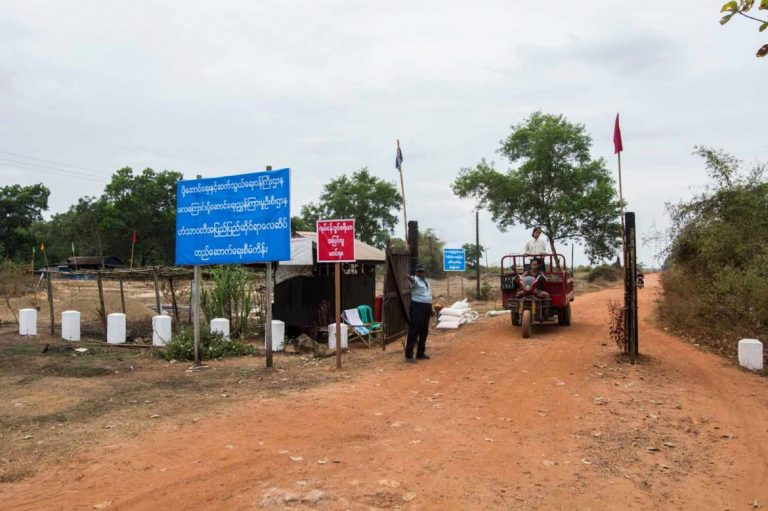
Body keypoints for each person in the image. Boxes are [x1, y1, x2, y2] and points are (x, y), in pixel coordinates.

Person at [404, 264, 433, 363]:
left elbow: (428, 295)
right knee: (414, 330)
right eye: (419, 271)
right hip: (417, 306)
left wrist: (431, 307)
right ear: (416, 272)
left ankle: (420, 353)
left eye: (422, 271)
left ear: (424, 272)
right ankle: (409, 356)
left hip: (426, 307)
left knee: (424, 331)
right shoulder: (415, 280)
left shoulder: (426, 281)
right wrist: (409, 278)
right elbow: (412, 280)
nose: (421, 273)